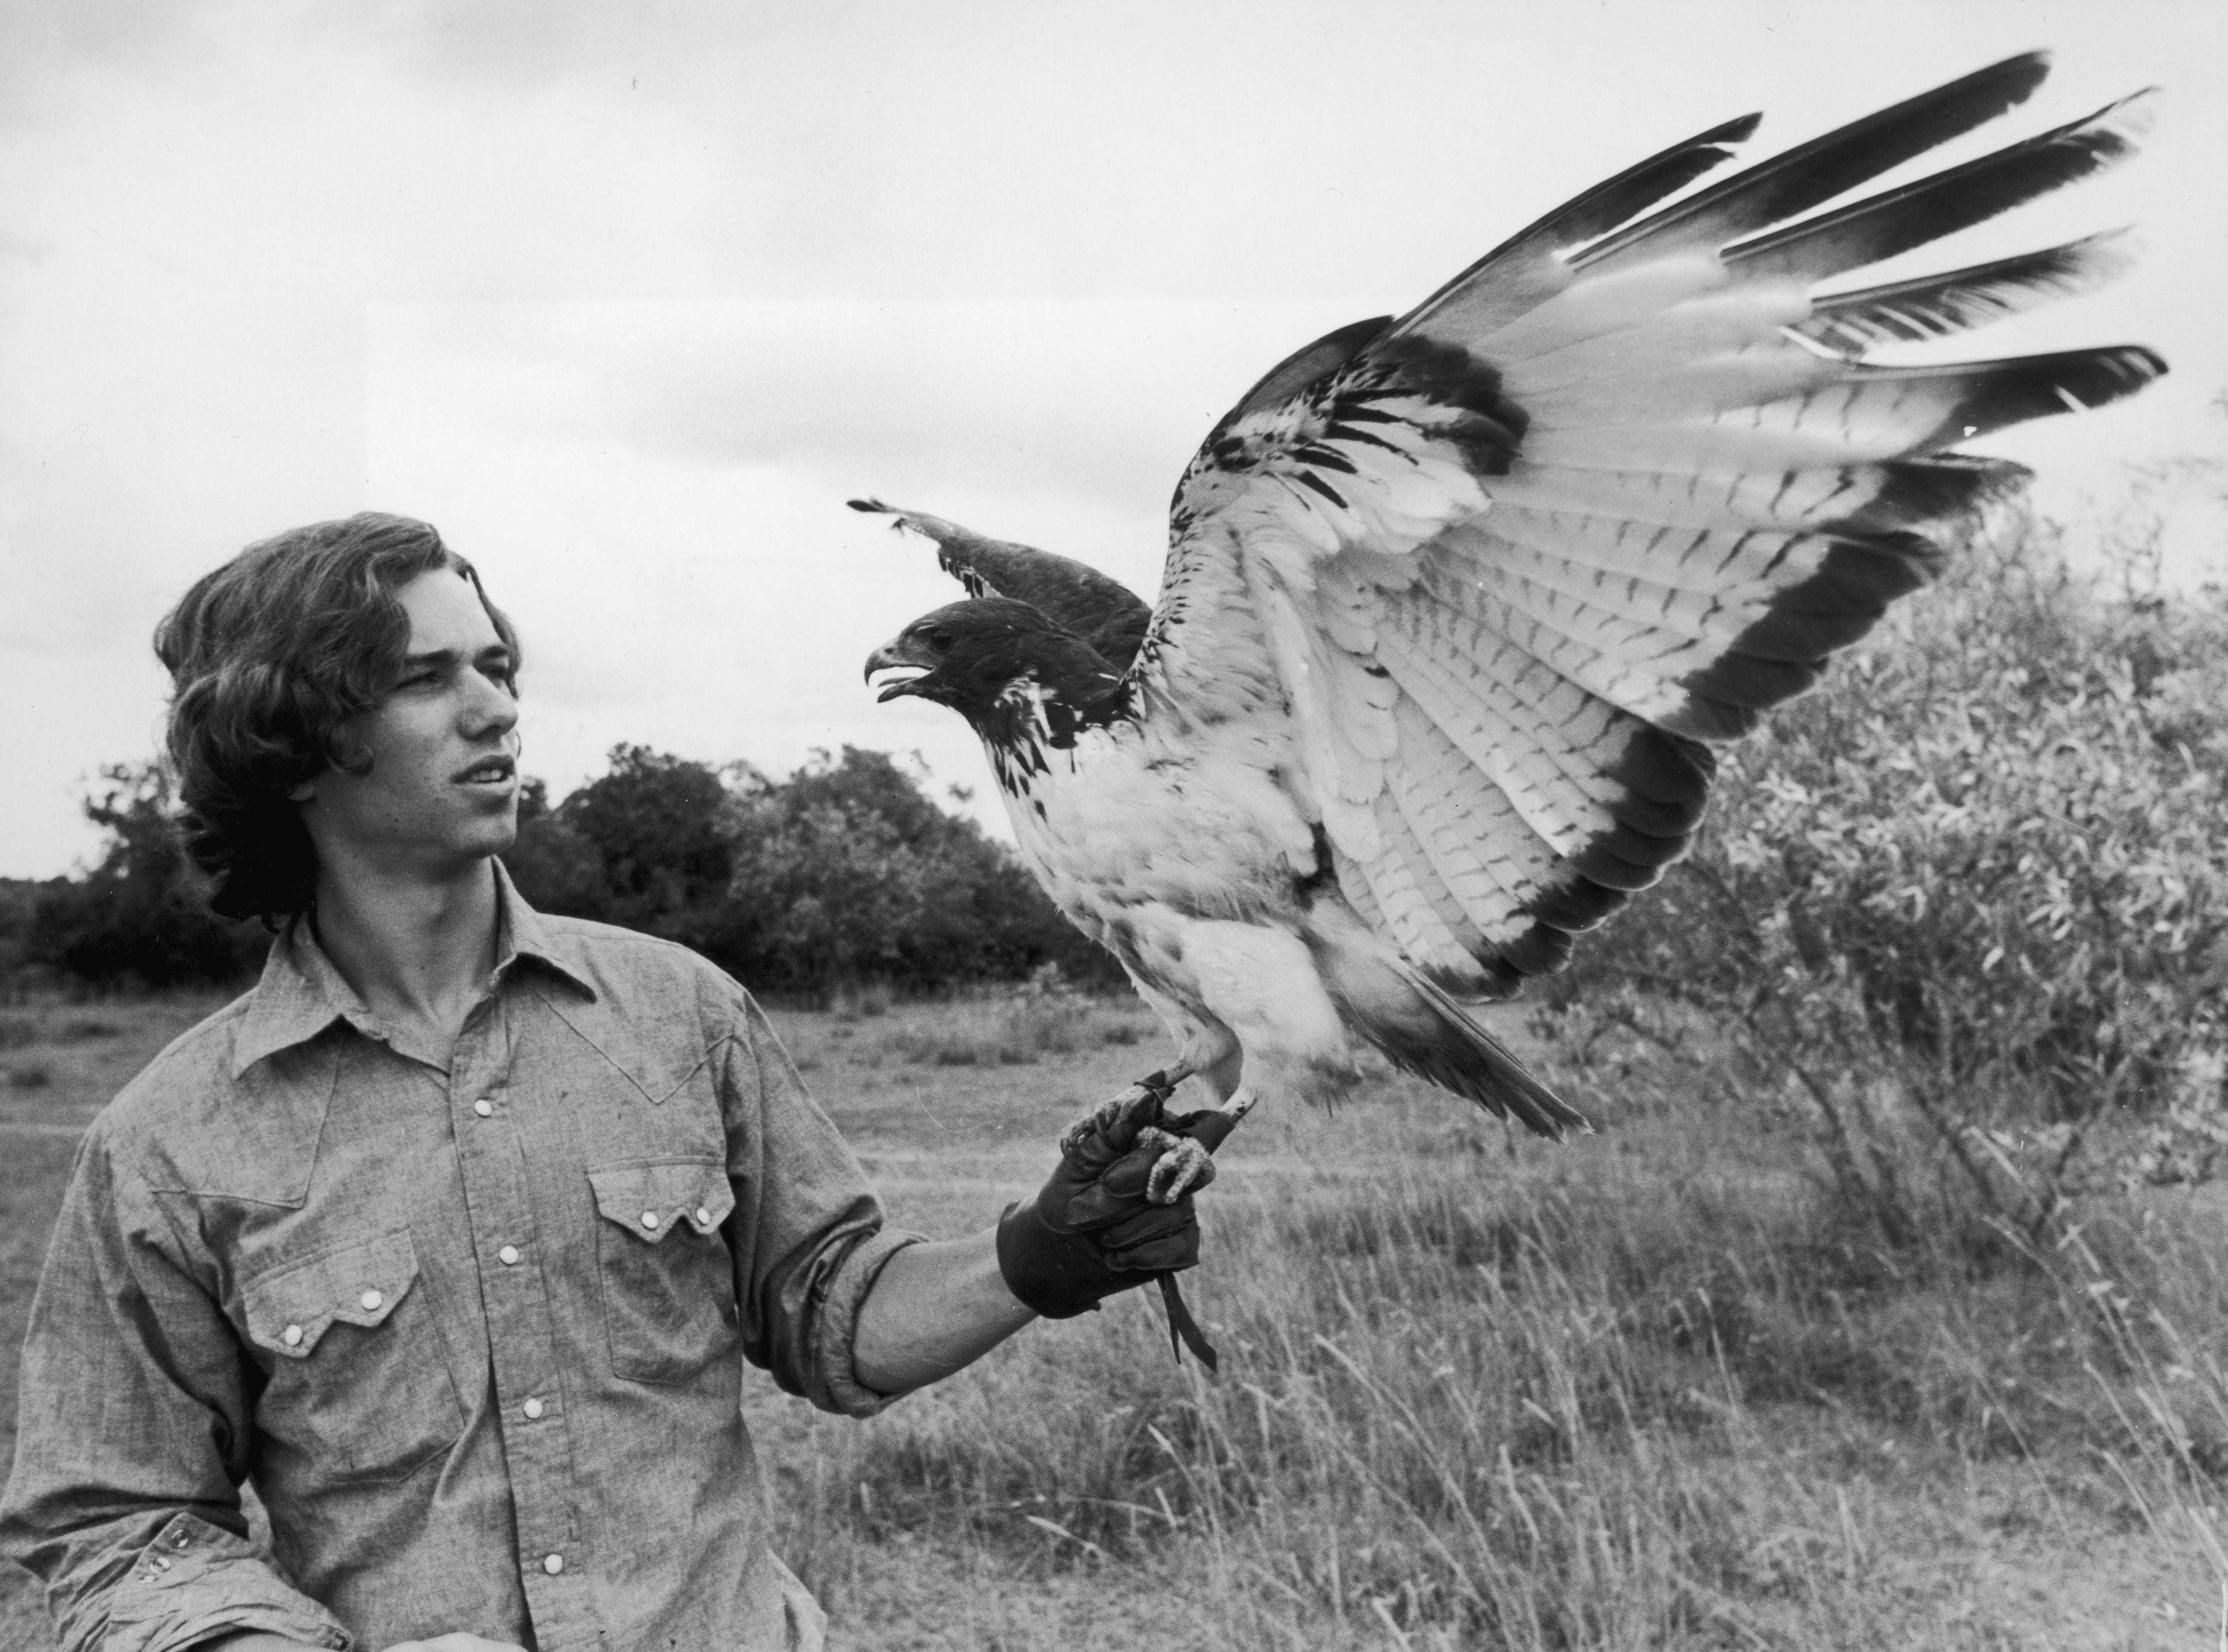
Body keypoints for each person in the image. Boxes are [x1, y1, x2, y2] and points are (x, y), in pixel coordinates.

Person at [0, 513, 1211, 1652]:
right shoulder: (168, 1142)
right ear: (289, 744)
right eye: (430, 679)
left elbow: (828, 1305)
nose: (499, 711)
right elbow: (109, 1527)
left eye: (497, 666)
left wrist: (1042, 1253)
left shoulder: (680, 1012)